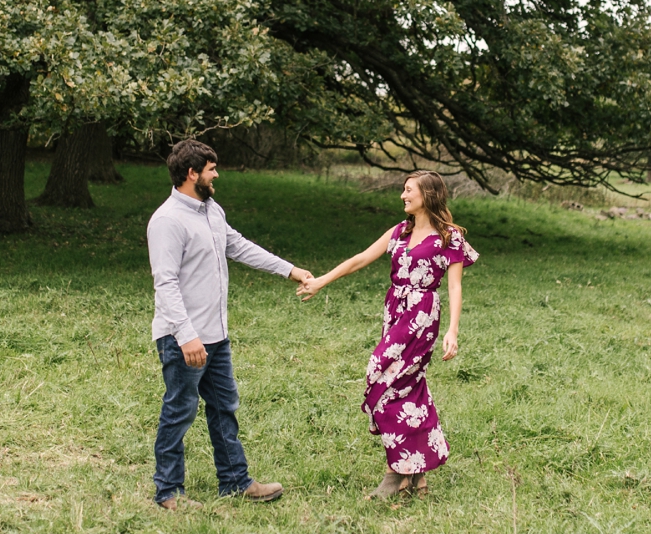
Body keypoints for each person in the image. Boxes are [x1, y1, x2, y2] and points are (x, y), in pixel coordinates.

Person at [147, 139, 314, 510]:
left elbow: (238, 246)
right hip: (184, 339)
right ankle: (169, 492)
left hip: (216, 337)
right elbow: (166, 283)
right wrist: (187, 336)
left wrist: (288, 269)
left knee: (225, 408)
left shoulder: (211, 210)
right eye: (211, 169)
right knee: (179, 412)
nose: (216, 174)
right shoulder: (167, 221)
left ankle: (235, 482)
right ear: (193, 174)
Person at [296, 170, 476, 500]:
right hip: (395, 311)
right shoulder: (398, 231)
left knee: (380, 374)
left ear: (428, 195)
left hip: (422, 315)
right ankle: (415, 472)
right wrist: (322, 281)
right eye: (403, 190)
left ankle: (396, 472)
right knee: (408, 384)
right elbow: (361, 258)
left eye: (409, 191)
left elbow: (455, 285)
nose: (403, 196)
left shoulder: (449, 237)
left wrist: (452, 330)